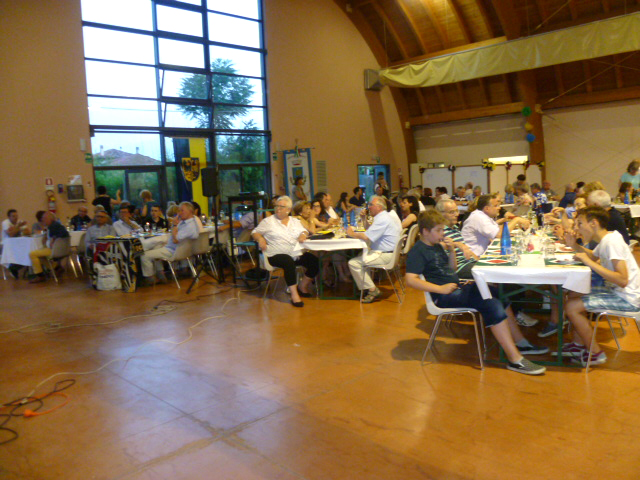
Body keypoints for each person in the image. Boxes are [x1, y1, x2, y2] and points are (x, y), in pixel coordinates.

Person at [406, 210, 548, 375]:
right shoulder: (418, 251)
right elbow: (410, 280)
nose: (442, 234)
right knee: (491, 304)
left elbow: (452, 269)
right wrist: (440, 289)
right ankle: (515, 359)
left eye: (442, 230)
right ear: (425, 231)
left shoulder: (437, 246)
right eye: (438, 230)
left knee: (498, 294)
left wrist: (452, 251)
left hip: (456, 288)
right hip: (443, 296)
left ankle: (520, 342)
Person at [562, 207, 640, 366]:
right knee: (575, 293)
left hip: (628, 298)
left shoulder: (612, 242)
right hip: (618, 291)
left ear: (593, 223)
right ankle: (578, 345)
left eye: (579, 223)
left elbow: (623, 280)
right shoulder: (607, 239)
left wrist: (588, 262)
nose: (576, 228)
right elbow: (593, 256)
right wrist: (574, 245)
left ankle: (596, 353)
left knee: (571, 307)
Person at [252, 196, 319, 307]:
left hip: (294, 253)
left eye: (281, 207)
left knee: (314, 261)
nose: (278, 209)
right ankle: (294, 294)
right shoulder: (268, 221)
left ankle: (302, 286)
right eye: (276, 206)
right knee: (288, 261)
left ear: (288, 209)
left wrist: (303, 234)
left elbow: (304, 231)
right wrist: (260, 238)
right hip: (274, 255)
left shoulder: (294, 221)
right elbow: (255, 232)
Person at [345, 195, 402, 303]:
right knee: (360, 256)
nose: (369, 207)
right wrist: (364, 218)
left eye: (371, 205)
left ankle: (372, 290)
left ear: (379, 207)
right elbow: (370, 231)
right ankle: (366, 287)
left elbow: (366, 236)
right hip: (388, 252)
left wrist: (351, 234)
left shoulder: (382, 219)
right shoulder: (383, 217)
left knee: (353, 263)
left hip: (385, 254)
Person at [140, 201, 201, 284]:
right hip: (178, 249)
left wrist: (174, 225)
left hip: (173, 251)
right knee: (157, 246)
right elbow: (174, 234)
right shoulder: (189, 222)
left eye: (182, 210)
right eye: (179, 210)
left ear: (190, 211)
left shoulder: (189, 226)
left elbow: (175, 240)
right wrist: (174, 225)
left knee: (144, 255)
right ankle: (161, 274)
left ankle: (150, 279)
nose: (179, 213)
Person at [461, 195, 530, 256]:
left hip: (481, 253)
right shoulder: (479, 217)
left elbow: (497, 229)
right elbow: (499, 234)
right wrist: (516, 220)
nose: (499, 208)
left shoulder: (483, 216)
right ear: (487, 208)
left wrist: (513, 225)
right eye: (496, 206)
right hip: (473, 256)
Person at [28, 212, 70, 283]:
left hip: (54, 250)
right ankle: (57, 268)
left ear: (50, 219)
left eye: (44, 218)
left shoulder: (53, 226)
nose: (43, 220)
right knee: (41, 256)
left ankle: (40, 276)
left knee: (32, 254)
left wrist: (53, 239)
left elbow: (61, 234)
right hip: (60, 250)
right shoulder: (56, 225)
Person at [2, 209, 31, 279]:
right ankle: (13, 267)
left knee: (29, 251)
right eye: (13, 216)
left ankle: (14, 268)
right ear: (9, 217)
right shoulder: (5, 223)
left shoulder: (19, 222)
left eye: (16, 216)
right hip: (7, 245)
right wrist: (18, 227)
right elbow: (11, 234)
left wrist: (19, 228)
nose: (16, 218)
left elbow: (28, 232)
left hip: (19, 244)